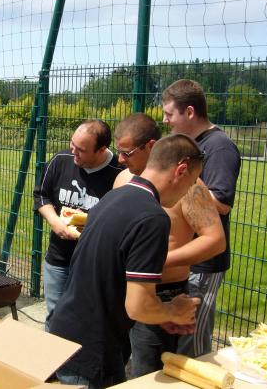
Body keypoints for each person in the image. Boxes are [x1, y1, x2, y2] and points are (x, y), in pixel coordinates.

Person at [49, 134, 203, 388]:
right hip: (95, 349)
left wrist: (159, 315)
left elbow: (111, 276)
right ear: (181, 171)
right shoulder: (153, 218)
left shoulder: (113, 197)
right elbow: (137, 306)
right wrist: (172, 310)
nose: (189, 191)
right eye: (192, 183)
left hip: (68, 330)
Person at [112, 113, 226, 377]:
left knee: (150, 375)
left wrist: (158, 262)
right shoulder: (122, 179)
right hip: (121, 290)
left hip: (163, 292)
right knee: (115, 370)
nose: (120, 159)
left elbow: (215, 240)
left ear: (151, 147)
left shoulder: (190, 186)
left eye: (127, 153)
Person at [162, 79, 241, 357]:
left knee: (191, 340)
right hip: (184, 258)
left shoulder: (219, 147)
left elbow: (221, 204)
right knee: (175, 333)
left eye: (170, 114)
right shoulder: (189, 145)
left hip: (204, 262)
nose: (165, 120)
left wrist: (188, 178)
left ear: (190, 112)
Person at [33, 120, 122, 328]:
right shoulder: (60, 160)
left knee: (89, 320)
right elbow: (41, 196)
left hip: (95, 263)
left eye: (81, 150)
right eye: (72, 144)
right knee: (56, 316)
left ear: (101, 149)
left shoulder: (119, 172)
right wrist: (55, 221)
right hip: (59, 258)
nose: (74, 152)